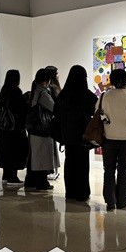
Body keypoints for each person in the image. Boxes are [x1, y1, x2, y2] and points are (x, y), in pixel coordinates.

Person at [100, 69, 126, 211]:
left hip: (109, 138)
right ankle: (122, 201)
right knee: (124, 170)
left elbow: (98, 114)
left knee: (109, 169)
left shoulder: (104, 97)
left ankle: (110, 201)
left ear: (111, 81)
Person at [54, 65, 98, 201]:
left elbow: (56, 111)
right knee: (82, 164)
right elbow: (95, 110)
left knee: (70, 162)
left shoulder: (64, 94)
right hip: (83, 136)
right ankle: (82, 192)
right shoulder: (86, 94)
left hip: (67, 134)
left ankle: (70, 192)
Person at [25, 68, 58, 191]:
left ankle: (31, 181)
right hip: (42, 130)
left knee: (34, 157)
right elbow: (54, 108)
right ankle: (42, 183)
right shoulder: (43, 93)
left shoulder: (35, 90)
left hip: (33, 129)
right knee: (42, 157)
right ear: (46, 80)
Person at [0, 70, 28, 186]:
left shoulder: (3, 91)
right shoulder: (16, 92)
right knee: (15, 151)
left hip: (3, 127)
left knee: (6, 151)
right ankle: (13, 177)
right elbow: (20, 109)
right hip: (14, 128)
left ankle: (6, 175)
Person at [45, 65, 62, 181]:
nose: (58, 75)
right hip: (51, 121)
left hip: (50, 120)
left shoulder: (47, 88)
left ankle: (51, 170)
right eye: (56, 73)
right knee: (51, 147)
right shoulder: (53, 88)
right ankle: (51, 170)